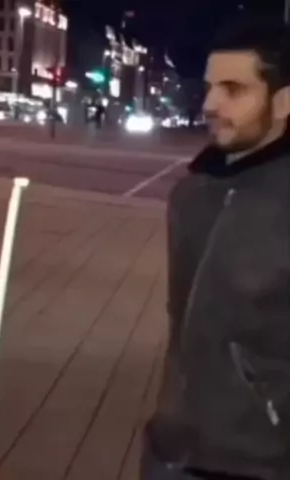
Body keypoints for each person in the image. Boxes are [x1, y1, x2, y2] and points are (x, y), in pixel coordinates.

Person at [141, 18, 290, 480]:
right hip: (174, 452)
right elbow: (181, 323)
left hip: (262, 461)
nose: (210, 104)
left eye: (233, 89)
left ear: (284, 101)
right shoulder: (190, 195)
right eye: (209, 88)